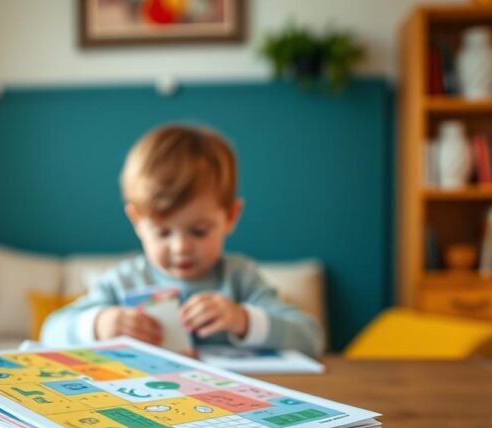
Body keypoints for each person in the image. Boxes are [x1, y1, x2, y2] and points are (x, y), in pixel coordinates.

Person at [40, 124, 324, 356]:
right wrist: (101, 324)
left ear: (230, 217)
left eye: (199, 231)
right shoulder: (123, 281)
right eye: (163, 233)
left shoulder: (239, 278)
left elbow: (311, 337)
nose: (181, 247)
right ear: (138, 222)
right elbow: (49, 332)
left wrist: (243, 320)